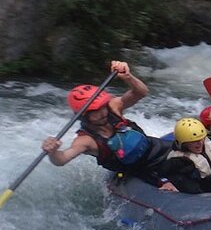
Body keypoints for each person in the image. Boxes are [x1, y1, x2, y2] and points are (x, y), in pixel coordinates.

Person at [41, 60, 177, 192]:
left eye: (102, 108)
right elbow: (61, 159)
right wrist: (52, 152)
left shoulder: (113, 107)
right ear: (84, 115)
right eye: (95, 112)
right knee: (173, 185)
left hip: (154, 147)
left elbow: (141, 92)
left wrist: (127, 77)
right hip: (139, 168)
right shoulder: (85, 140)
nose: (102, 113)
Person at [159, 118, 211, 194]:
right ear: (183, 143)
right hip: (200, 189)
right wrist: (166, 182)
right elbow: (162, 173)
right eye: (194, 141)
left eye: (201, 139)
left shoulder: (207, 144)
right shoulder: (178, 160)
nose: (200, 143)